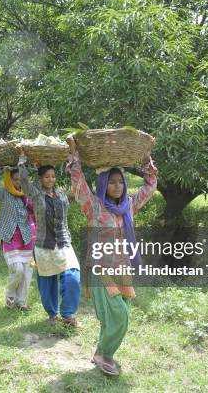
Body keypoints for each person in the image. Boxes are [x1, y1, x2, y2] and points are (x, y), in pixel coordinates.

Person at [66, 135, 158, 376]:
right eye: (112, 182)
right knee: (120, 315)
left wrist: (147, 160)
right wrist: (74, 154)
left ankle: (101, 353)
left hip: (122, 269)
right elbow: (78, 184)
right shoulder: (93, 206)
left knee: (113, 318)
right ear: (103, 183)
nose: (117, 186)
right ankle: (105, 355)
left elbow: (149, 186)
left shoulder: (128, 205)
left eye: (121, 182)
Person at [16, 146, 81, 327]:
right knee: (47, 282)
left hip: (63, 242)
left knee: (73, 276)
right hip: (44, 245)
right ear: (40, 178)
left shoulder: (61, 194)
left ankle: (67, 314)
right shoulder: (36, 195)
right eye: (46, 176)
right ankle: (52, 314)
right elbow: (23, 180)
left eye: (53, 176)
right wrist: (22, 159)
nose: (50, 179)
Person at [0, 146, 36, 311]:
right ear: (8, 179)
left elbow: (27, 182)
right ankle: (10, 294)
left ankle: (21, 302)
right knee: (17, 269)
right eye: (14, 179)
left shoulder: (26, 196)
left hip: (27, 237)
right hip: (10, 237)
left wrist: (22, 161)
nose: (18, 183)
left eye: (19, 180)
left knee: (27, 272)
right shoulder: (2, 194)